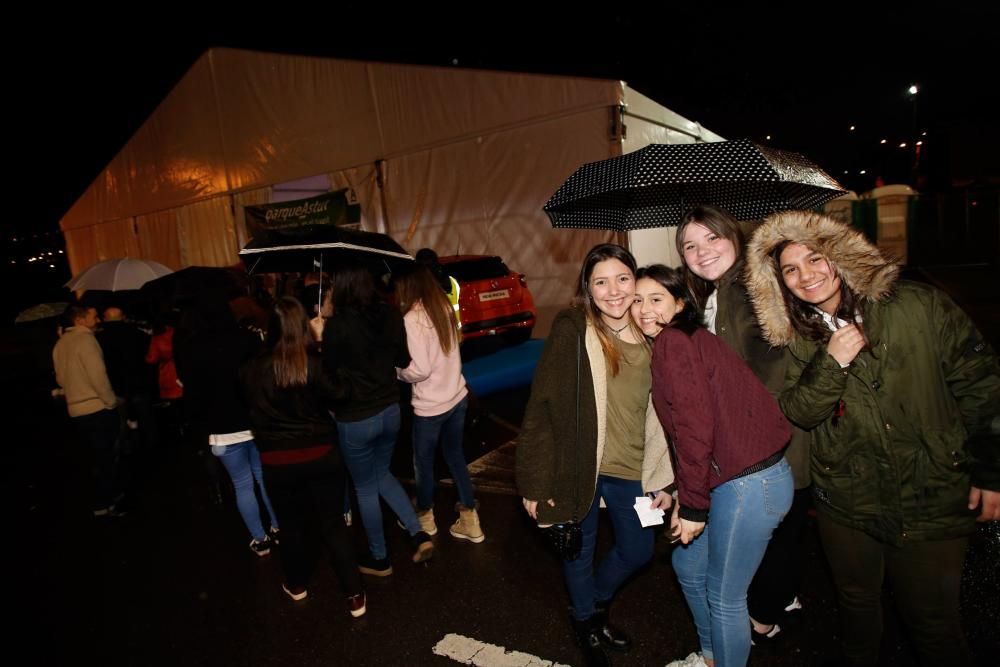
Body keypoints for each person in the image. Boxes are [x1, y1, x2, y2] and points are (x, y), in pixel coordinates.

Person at [744, 210, 1000, 666]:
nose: (806, 276)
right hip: (847, 501)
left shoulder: (917, 306)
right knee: (858, 618)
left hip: (931, 492)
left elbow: (981, 384)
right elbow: (797, 412)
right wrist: (832, 361)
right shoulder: (800, 338)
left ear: (839, 255)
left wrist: (991, 469)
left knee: (934, 626)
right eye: (790, 270)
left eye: (815, 259)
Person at [516, 244, 674, 667]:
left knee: (640, 548)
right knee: (577, 550)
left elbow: (672, 412)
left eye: (622, 278)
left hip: (634, 470)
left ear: (635, 279)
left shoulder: (654, 332)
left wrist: (669, 480)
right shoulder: (574, 328)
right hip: (581, 466)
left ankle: (594, 602)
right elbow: (542, 407)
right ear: (588, 287)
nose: (614, 291)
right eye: (601, 281)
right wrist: (533, 484)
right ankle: (585, 620)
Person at [642, 265, 794, 667]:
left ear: (679, 303)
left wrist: (691, 505)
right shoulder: (688, 339)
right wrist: (679, 491)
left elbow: (693, 425)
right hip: (739, 479)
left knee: (725, 594)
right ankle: (712, 656)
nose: (643, 308)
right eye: (637, 300)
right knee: (688, 563)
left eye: (655, 299)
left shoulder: (674, 341)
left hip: (747, 485)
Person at [677, 205, 812, 644]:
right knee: (782, 530)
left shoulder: (746, 289)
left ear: (733, 237)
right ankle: (781, 597)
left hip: (770, 441)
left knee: (776, 534)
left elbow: (768, 374)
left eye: (712, 239)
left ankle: (763, 617)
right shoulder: (721, 291)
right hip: (771, 437)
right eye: (690, 246)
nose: (702, 252)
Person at [242, 297, 366, 616]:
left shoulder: (254, 368)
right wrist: (324, 348)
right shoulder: (314, 361)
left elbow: (250, 411)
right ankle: (354, 595)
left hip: (277, 462)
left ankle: (297, 584)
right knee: (332, 524)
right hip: (321, 454)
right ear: (301, 326)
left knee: (291, 525)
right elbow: (342, 393)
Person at [317, 260, 433, 576]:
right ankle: (417, 532)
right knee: (382, 475)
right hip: (390, 411)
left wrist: (320, 336)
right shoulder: (389, 313)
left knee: (366, 486)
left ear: (341, 285)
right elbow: (403, 359)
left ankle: (380, 557)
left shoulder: (338, 326)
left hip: (356, 419)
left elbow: (325, 380)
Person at [173, 293, 280, 556]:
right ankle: (278, 526)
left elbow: (193, 395)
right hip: (254, 421)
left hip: (221, 428)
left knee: (241, 483)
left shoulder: (193, 348)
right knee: (264, 477)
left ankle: (260, 538)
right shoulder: (248, 339)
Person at [395, 265, 483, 543]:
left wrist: (397, 371)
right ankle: (471, 519)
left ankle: (425, 516)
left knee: (423, 462)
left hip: (430, 406)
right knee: (455, 456)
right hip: (456, 397)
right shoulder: (442, 307)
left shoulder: (413, 318)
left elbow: (419, 369)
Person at [53, 305, 126, 517]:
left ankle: (103, 500)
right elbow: (98, 376)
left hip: (76, 410)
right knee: (107, 458)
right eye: (93, 317)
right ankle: (108, 502)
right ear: (80, 320)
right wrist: (111, 402)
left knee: (94, 458)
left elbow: (60, 379)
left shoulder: (60, 344)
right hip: (97, 407)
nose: (98, 320)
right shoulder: (85, 340)